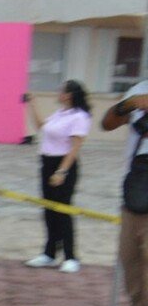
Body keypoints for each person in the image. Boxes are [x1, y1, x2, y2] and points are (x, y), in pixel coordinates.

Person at [98, 80, 148, 306]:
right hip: (136, 194)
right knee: (136, 288)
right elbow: (106, 123)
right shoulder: (140, 88)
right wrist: (129, 105)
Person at [23, 82, 91, 274]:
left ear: (69, 95)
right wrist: (32, 104)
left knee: (63, 211)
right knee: (49, 210)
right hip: (47, 163)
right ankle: (49, 253)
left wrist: (61, 172)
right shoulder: (60, 113)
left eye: (62, 90)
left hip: (64, 164)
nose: (58, 93)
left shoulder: (80, 116)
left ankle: (71, 256)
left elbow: (75, 147)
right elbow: (41, 127)